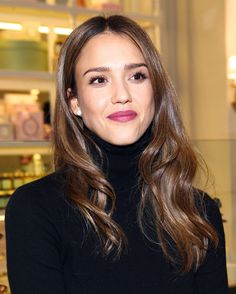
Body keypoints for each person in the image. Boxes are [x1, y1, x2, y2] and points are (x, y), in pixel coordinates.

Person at [5, 15, 228, 293]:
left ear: (155, 91)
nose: (121, 94)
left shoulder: (197, 212)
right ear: (74, 101)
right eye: (99, 79)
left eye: (137, 76)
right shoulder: (36, 210)